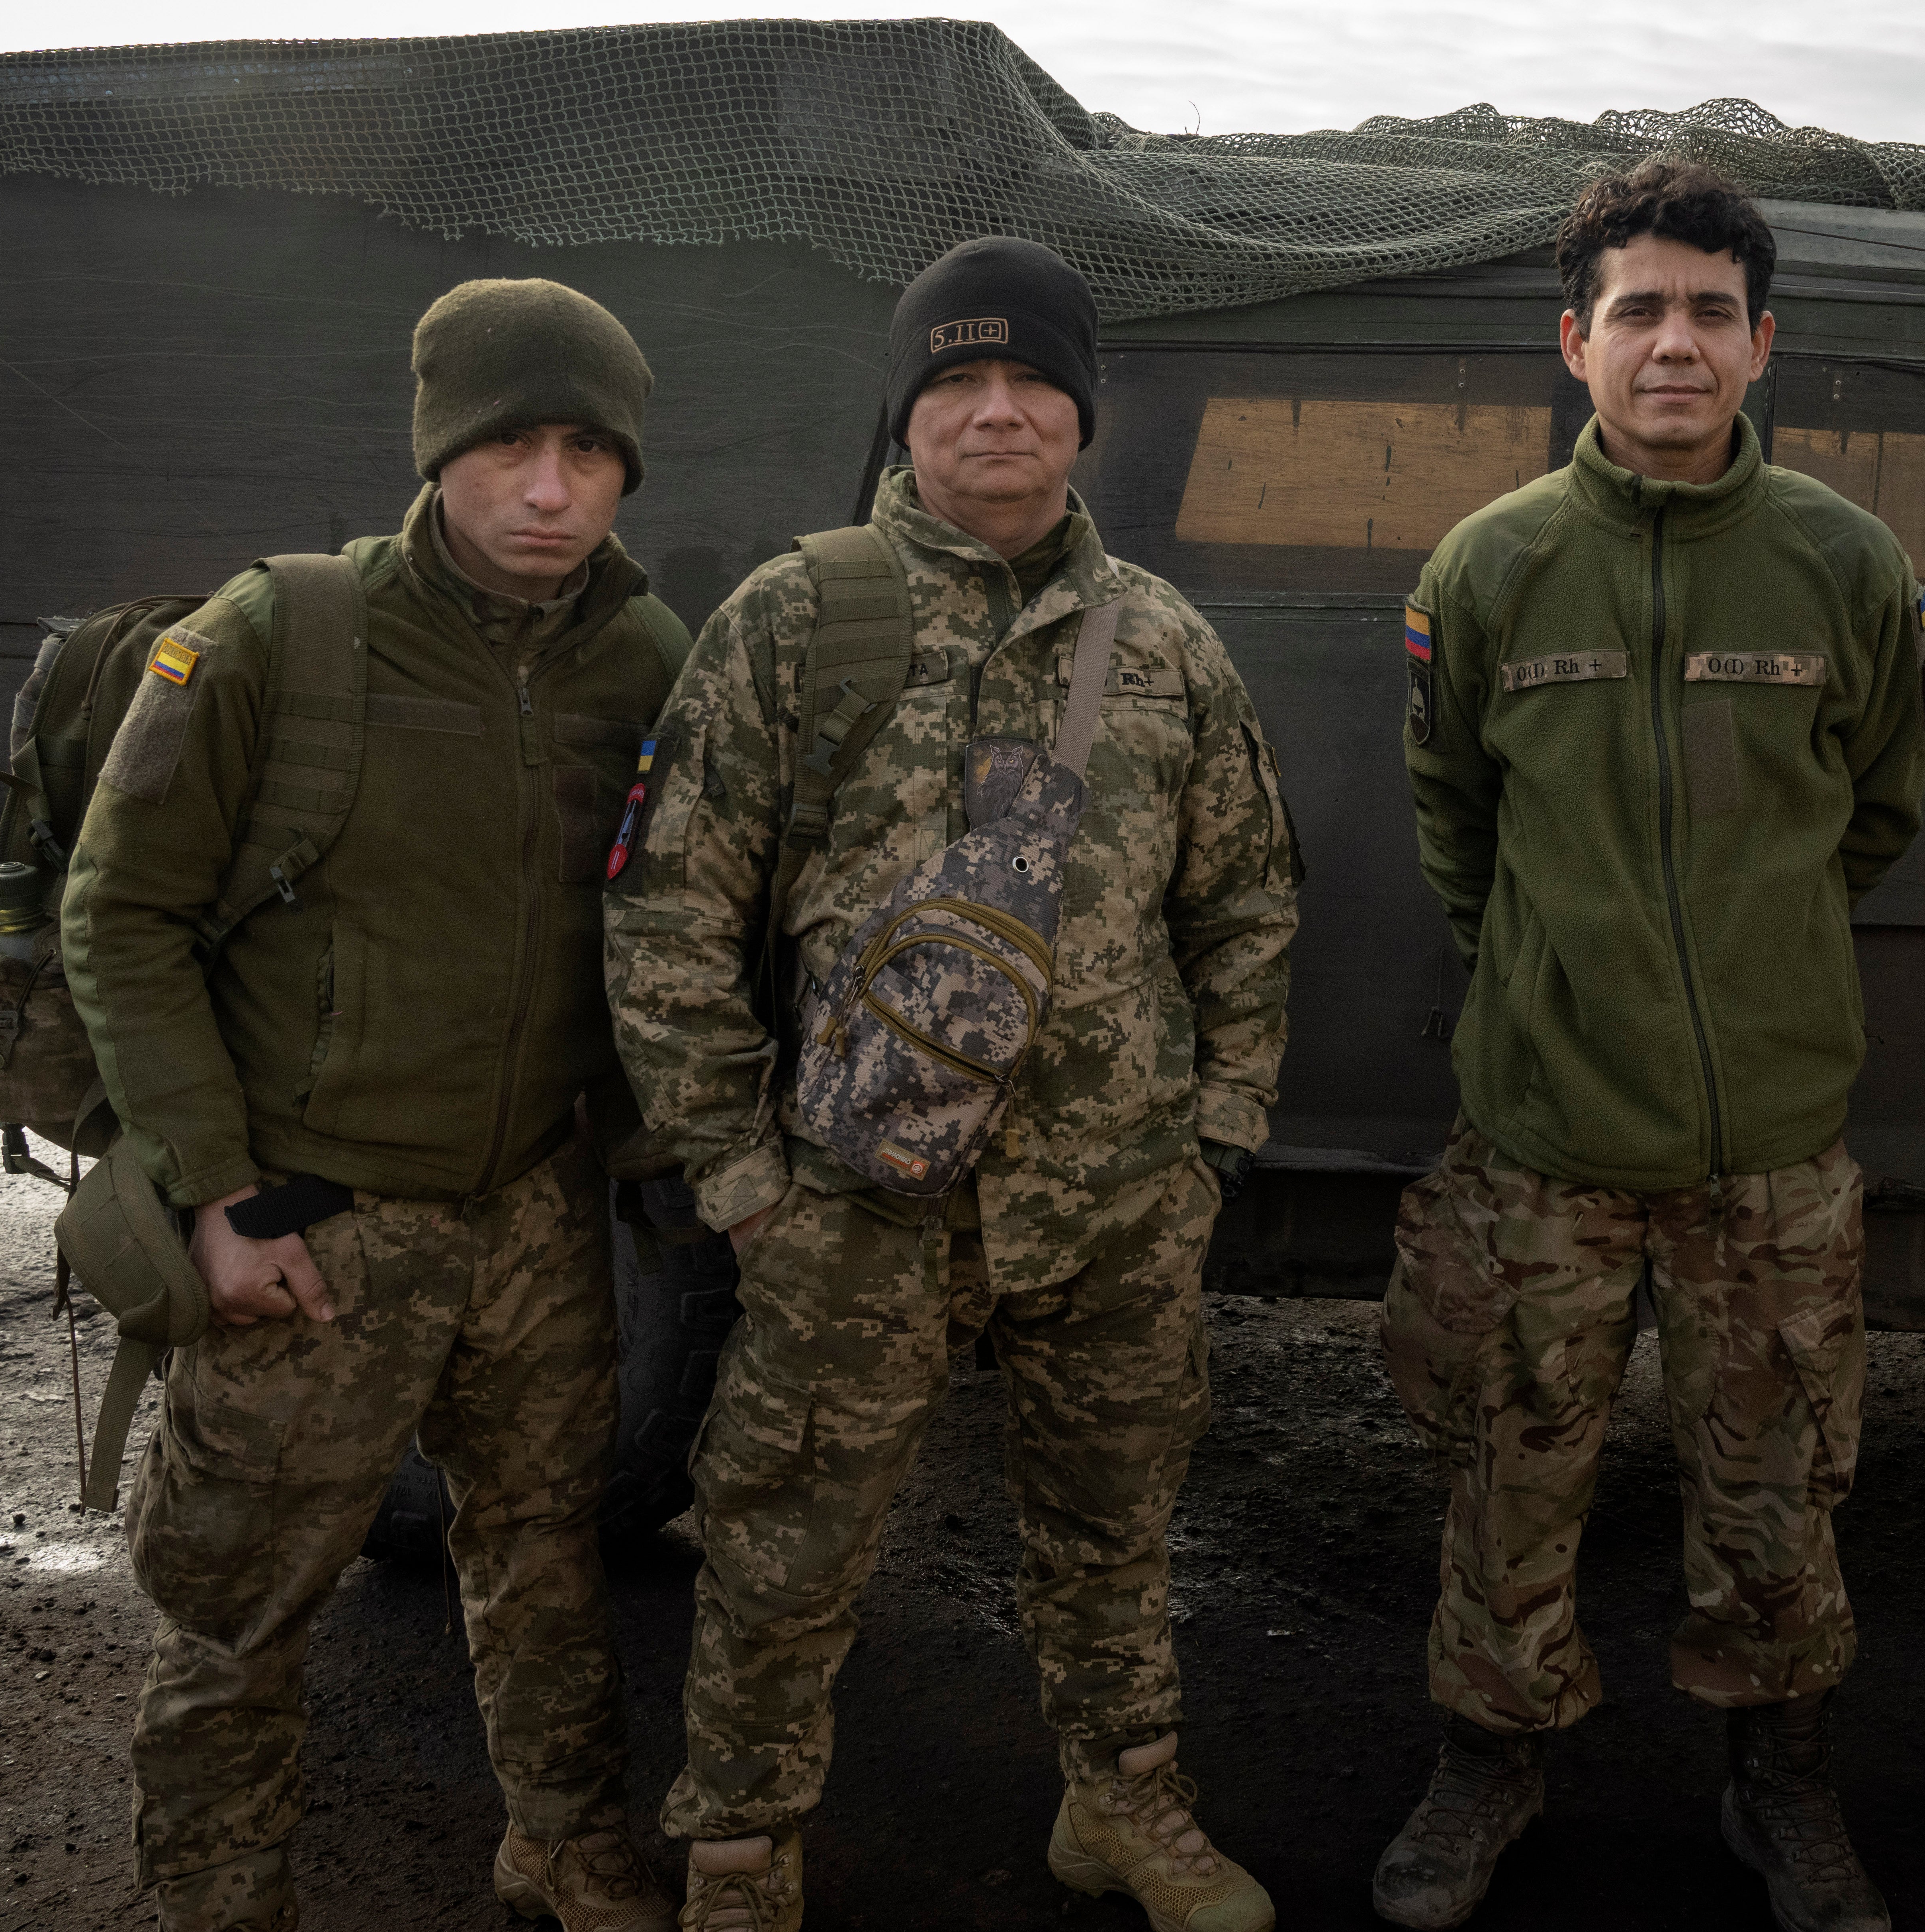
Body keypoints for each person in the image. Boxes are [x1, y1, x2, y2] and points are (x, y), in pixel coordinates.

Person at [604, 235, 1300, 1932]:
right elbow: (670, 908)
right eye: (956, 385)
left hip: (1114, 1196)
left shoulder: (1163, 645)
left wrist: (1212, 1140)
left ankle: (1124, 1803)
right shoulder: (798, 614)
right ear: (907, 412)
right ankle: (745, 1850)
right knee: (783, 1545)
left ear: (1082, 414)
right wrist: (736, 1173)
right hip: (852, 1200)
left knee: (1112, 1528)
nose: (996, 414)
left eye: (1031, 385)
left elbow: (1247, 902)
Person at [63, 278, 688, 1932]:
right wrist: (209, 1184)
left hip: (536, 1213)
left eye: (584, 451)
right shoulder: (284, 635)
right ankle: (219, 1898)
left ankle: (561, 1838)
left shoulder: (647, 653)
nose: (547, 489)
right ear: (438, 452)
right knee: (238, 1604)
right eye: (506, 446)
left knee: (547, 1549)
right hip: (312, 1220)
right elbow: (118, 917)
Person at [1373, 159, 1925, 1932]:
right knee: (1508, 1476)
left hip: (1768, 1144)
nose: (1671, 342)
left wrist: (1755, 981)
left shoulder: (1847, 565)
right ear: (1575, 342)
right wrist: (1553, 980)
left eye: (1707, 310)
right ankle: (1487, 1761)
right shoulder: (1490, 566)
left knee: (1778, 1489)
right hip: (1540, 1142)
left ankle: (1780, 1783)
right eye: (1638, 309)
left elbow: (1878, 809)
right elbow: (1454, 818)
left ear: (1762, 344)